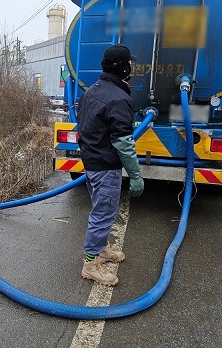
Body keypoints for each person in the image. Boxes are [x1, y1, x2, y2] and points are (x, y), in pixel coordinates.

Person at [77, 44, 144, 286]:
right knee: (103, 214)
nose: (132, 67)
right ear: (123, 67)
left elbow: (84, 126)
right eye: (130, 63)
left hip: (92, 162)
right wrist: (135, 174)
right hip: (105, 167)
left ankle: (102, 249)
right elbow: (124, 142)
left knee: (101, 210)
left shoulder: (91, 91)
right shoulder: (119, 98)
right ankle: (90, 263)